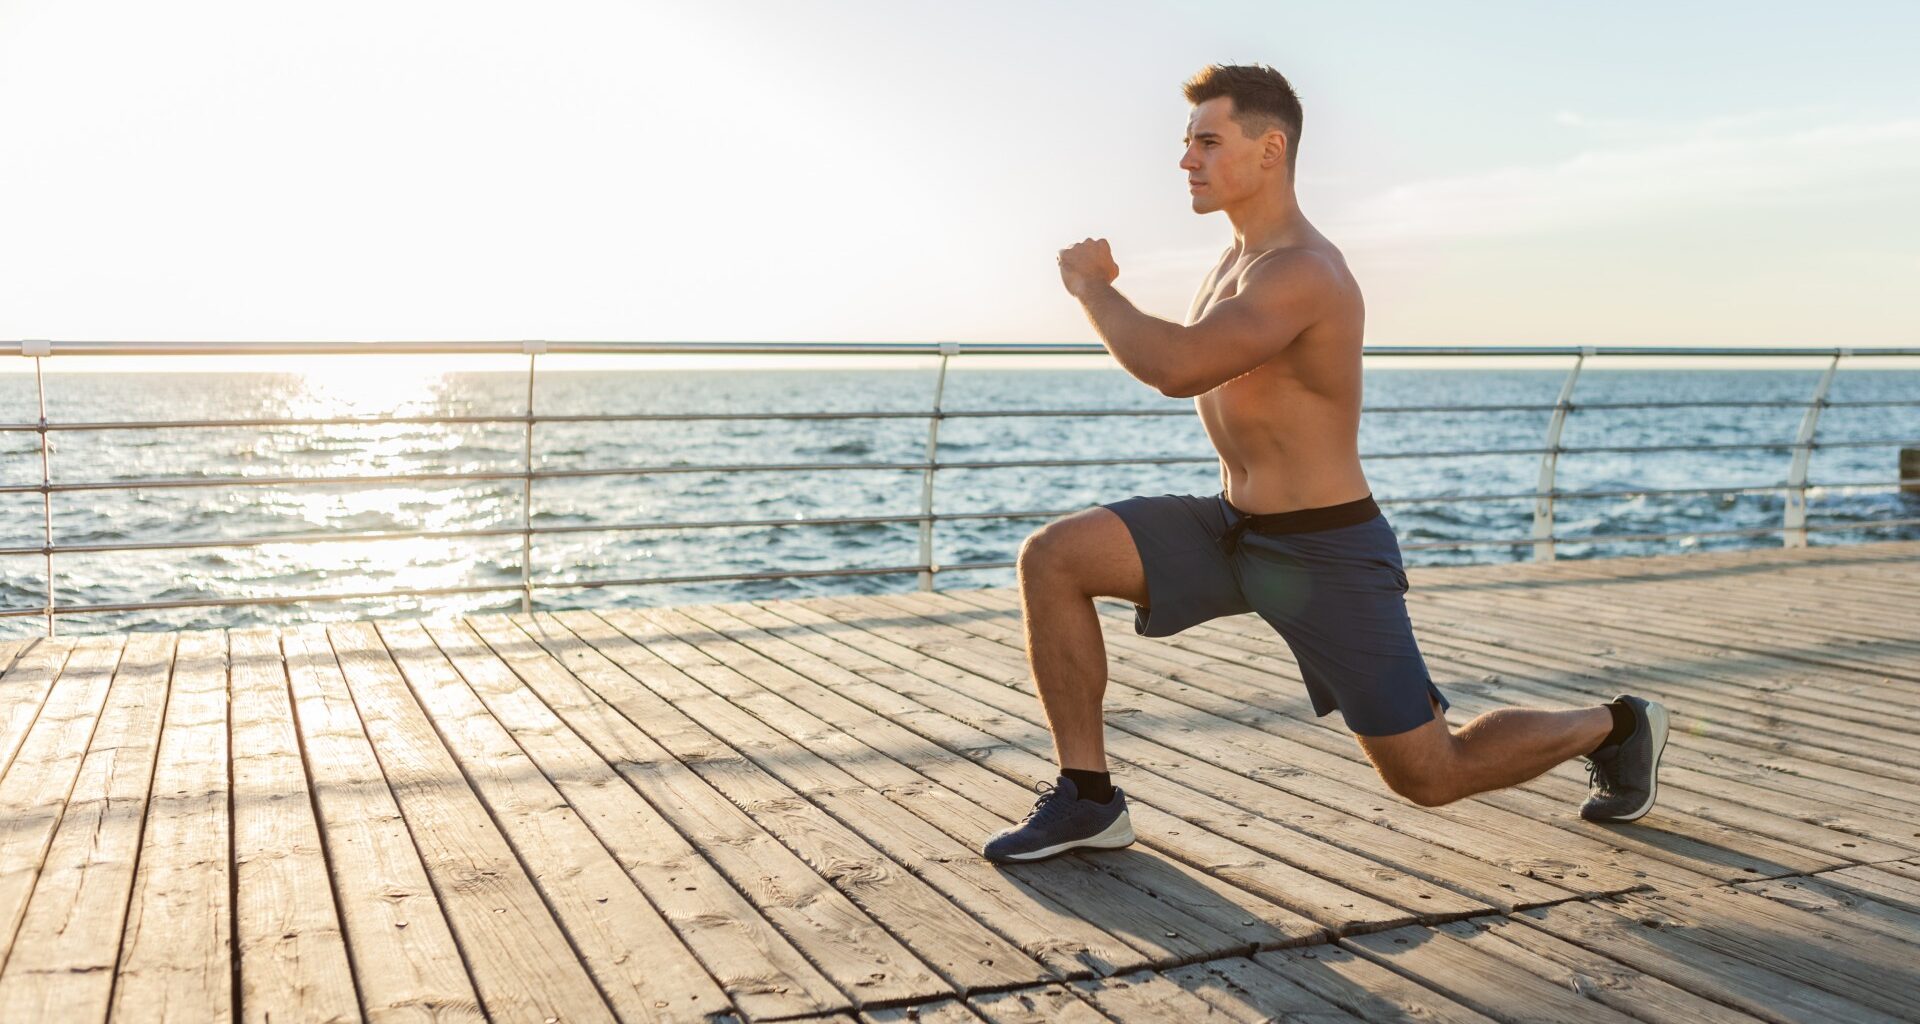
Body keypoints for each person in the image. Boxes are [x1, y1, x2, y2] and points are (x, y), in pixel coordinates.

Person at [982, 63, 1668, 865]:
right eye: (1186, 143)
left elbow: (1178, 367)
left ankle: (1617, 726)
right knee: (1054, 557)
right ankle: (1087, 798)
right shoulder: (1235, 263)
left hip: (1326, 547)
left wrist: (1092, 288)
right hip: (1231, 528)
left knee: (1429, 772)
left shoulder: (1304, 270)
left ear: (1271, 148)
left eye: (1208, 141)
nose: (1187, 161)